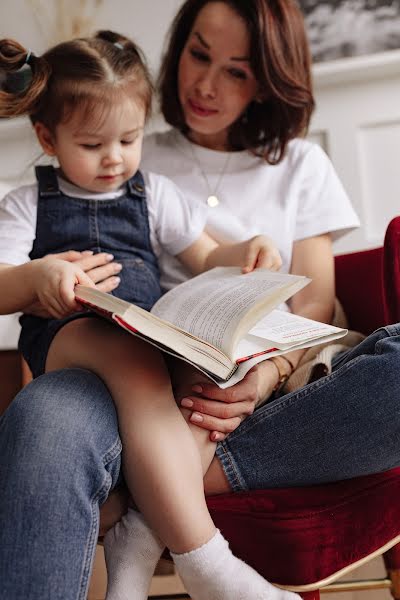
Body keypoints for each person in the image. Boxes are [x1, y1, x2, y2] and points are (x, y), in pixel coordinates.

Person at [0, 1, 399, 599]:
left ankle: (147, 502)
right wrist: (37, 279)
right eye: (198, 55)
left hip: (254, 386)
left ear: (267, 79)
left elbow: (304, 303)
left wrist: (258, 369)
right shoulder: (122, 145)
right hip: (128, 377)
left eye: (237, 70)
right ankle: (186, 524)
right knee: (50, 419)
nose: (207, 85)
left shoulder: (293, 164)